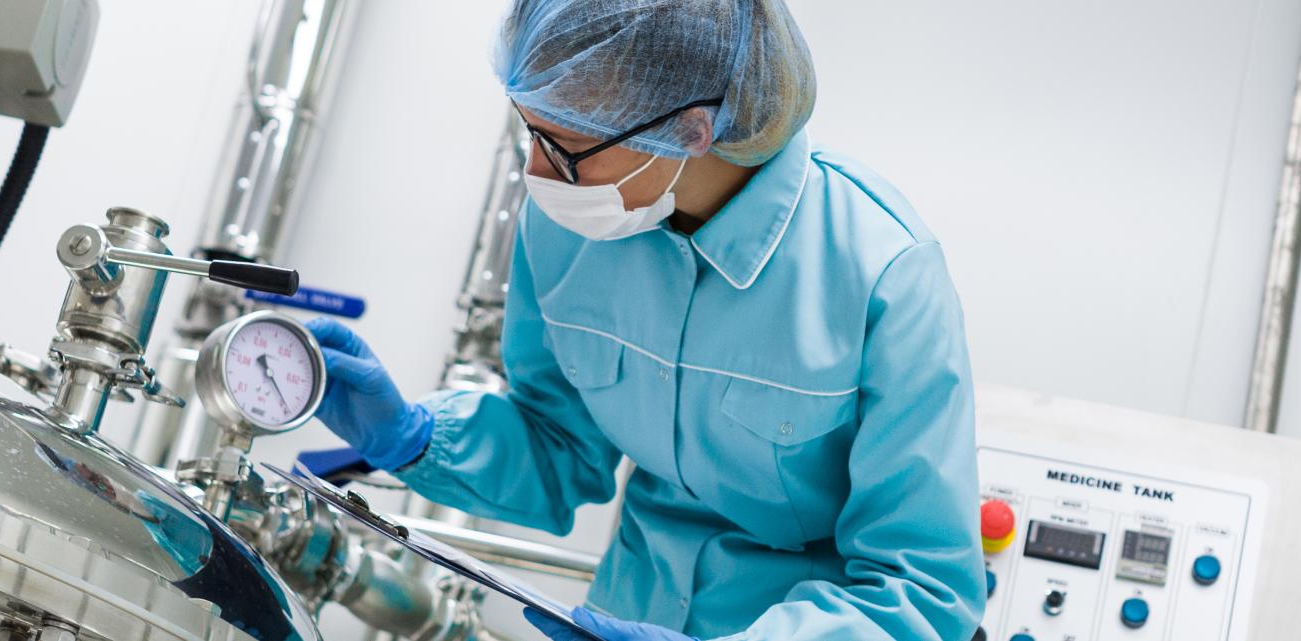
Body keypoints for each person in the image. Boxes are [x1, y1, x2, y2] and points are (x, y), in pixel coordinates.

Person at [305, 0, 985, 639]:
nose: (539, 172)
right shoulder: (569, 226)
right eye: (531, 130)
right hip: (629, 605)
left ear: (691, 130)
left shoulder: (883, 273)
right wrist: (415, 436)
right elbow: (561, 449)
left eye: (567, 145)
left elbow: (919, 588)